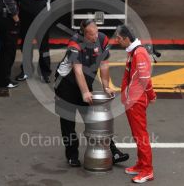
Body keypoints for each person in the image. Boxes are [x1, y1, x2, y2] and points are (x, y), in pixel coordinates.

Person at [54, 19, 129, 167]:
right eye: (91, 35)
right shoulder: (74, 43)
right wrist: (85, 92)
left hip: (84, 83)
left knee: (95, 120)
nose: (94, 37)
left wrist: (106, 86)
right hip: (65, 85)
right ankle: (72, 155)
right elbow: (78, 71)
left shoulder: (102, 39)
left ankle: (113, 152)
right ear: (83, 34)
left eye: (96, 33)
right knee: (68, 122)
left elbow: (104, 64)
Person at [115, 25, 156, 183]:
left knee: (141, 136)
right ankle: (141, 165)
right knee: (137, 135)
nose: (117, 41)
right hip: (131, 100)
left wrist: (152, 96)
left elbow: (145, 79)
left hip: (137, 101)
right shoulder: (133, 52)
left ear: (126, 38)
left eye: (119, 38)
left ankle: (147, 170)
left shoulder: (139, 54)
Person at [11, 0, 63, 83]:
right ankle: (26, 71)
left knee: (43, 44)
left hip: (42, 13)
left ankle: (45, 73)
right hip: (25, 12)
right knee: (26, 43)